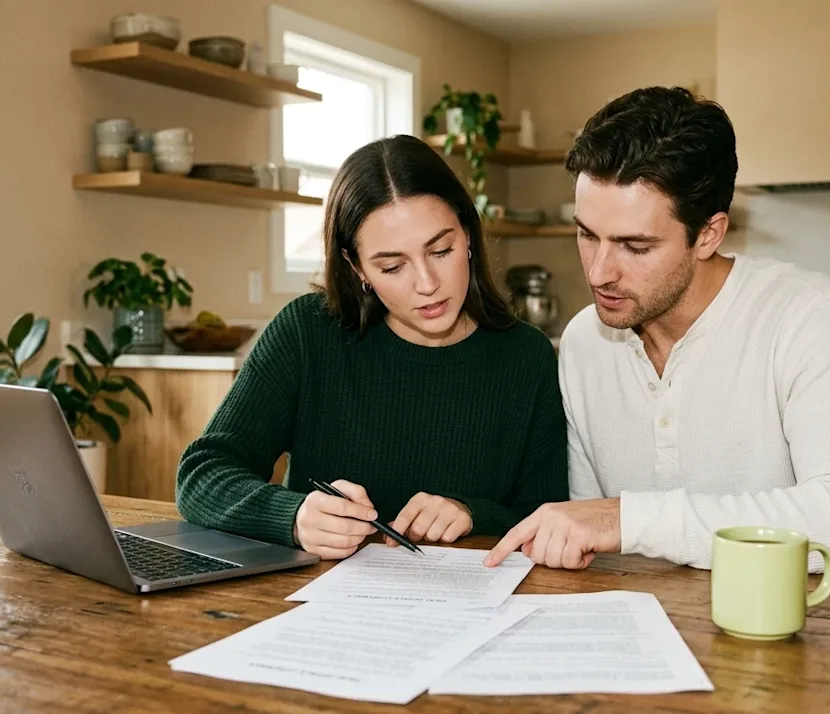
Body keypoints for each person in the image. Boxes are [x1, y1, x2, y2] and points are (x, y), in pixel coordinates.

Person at [484, 86, 830, 574]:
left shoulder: (811, 317)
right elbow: (589, 539)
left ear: (708, 233)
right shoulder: (585, 342)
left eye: (635, 246)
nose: (599, 272)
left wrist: (631, 518)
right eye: (586, 234)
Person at [175, 135, 567, 561]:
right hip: (319, 610)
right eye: (392, 266)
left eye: (441, 250)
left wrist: (472, 513)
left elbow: (547, 516)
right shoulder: (308, 333)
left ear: (469, 236)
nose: (426, 283)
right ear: (355, 265)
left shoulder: (527, 357)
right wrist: (293, 515)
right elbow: (202, 474)